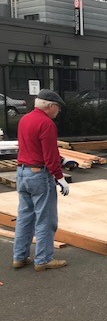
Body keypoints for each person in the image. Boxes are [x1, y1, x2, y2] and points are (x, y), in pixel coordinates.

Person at [12, 89, 69, 272]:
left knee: (25, 217)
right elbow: (49, 154)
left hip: (22, 172)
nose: (58, 111)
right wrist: (60, 177)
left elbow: (32, 146)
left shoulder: (25, 120)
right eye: (57, 107)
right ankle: (43, 259)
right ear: (50, 106)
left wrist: (60, 162)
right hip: (39, 175)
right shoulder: (47, 123)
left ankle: (19, 257)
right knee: (45, 218)